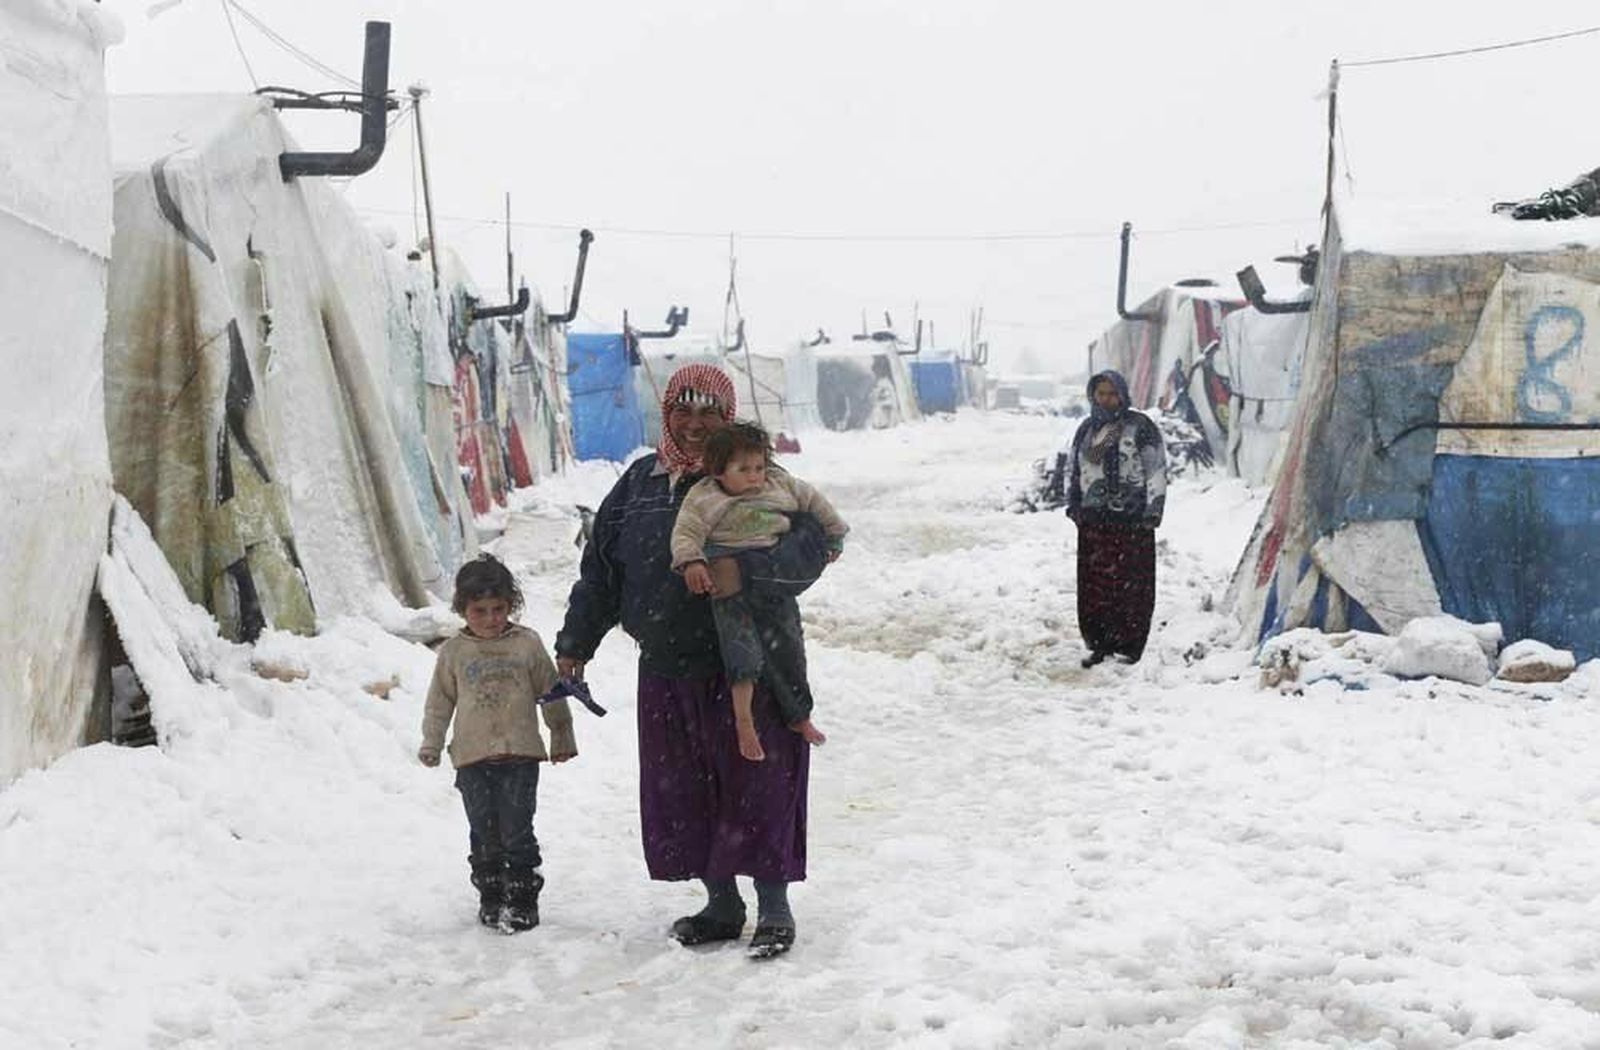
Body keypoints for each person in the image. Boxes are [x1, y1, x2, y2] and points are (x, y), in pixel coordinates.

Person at [555, 363, 829, 960]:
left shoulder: (761, 480)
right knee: (686, 788)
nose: (697, 423)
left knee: (761, 781)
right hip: (668, 664)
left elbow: (815, 550)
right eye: (685, 410)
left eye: (711, 412)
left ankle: (775, 907)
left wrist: (744, 572)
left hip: (754, 662)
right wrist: (576, 643)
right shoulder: (638, 485)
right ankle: (722, 903)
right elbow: (601, 572)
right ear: (668, 414)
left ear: (729, 418)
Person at [670, 420, 847, 761]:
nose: (755, 476)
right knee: (742, 655)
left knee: (790, 651)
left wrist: (834, 533)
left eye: (759, 467)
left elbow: (816, 503)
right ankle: (744, 721)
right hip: (728, 587)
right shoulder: (704, 496)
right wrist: (692, 563)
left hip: (772, 579)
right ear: (719, 471)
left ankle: (799, 716)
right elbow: (686, 532)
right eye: (743, 469)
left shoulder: (780, 485)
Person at [419, 554, 577, 933]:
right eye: (479, 611)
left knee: (517, 829)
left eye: (498, 609)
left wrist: (561, 735)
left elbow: (551, 692)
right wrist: (432, 741)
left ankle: (522, 897)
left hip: (520, 755)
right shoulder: (455, 652)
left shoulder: (526, 645)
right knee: (483, 830)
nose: (490, 618)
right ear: (463, 609)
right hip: (472, 756)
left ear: (511, 606)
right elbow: (440, 700)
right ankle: (491, 894)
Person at [1065, 370, 1168, 668]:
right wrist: (1074, 505)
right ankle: (1098, 644)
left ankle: (1129, 646)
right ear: (1092, 396)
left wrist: (1153, 510)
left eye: (1113, 393)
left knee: (1132, 585)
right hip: (1094, 521)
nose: (1107, 399)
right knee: (1095, 585)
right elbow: (1075, 467)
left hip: (1132, 522)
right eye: (1101, 394)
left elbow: (1156, 469)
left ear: (1123, 394)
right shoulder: (1087, 429)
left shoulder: (1140, 427)